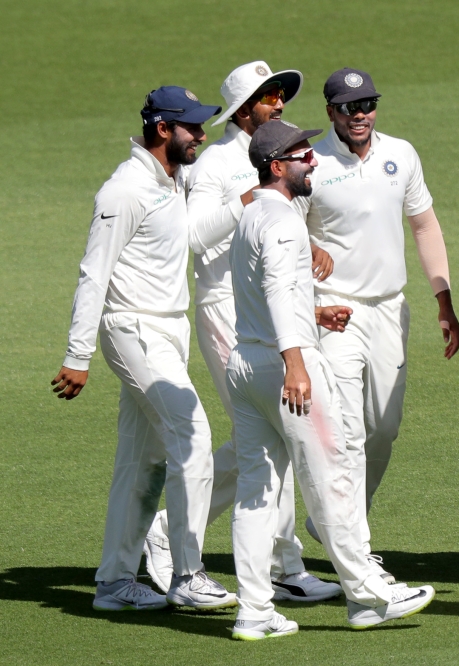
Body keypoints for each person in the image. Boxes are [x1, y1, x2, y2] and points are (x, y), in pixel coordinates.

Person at [141, 61, 341, 604]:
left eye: (280, 94)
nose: (278, 102)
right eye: (267, 95)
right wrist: (246, 199)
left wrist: (311, 251)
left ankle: (262, 556)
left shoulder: (278, 153)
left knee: (271, 438)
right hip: (226, 309)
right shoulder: (216, 164)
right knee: (276, 432)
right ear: (241, 107)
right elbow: (195, 236)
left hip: (271, 311)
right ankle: (279, 562)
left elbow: (280, 240)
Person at [227, 120, 434, 640]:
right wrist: (296, 363)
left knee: (257, 493)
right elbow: (277, 291)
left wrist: (313, 317)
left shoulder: (253, 214)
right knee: (336, 474)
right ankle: (368, 596)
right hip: (285, 369)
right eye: (301, 155)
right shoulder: (283, 222)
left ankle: (254, 611)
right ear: (277, 167)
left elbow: (265, 293)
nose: (313, 160)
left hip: (245, 364)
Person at [51, 86, 236, 611]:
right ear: (163, 129)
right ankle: (188, 574)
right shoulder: (124, 190)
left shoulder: (172, 179)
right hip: (132, 329)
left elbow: (193, 239)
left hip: (168, 331)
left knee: (143, 462)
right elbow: (94, 273)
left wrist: (246, 202)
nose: (202, 134)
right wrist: (78, 355)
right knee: (193, 437)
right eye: (193, 127)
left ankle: (114, 584)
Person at [296, 68, 459, 583]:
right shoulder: (311, 162)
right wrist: (310, 247)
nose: (361, 113)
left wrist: (444, 298)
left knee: (383, 429)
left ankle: (336, 522)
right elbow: (279, 225)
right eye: (349, 106)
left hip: (391, 307)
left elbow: (425, 224)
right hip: (336, 308)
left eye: (368, 103)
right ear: (331, 113)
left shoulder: (401, 154)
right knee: (345, 433)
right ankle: (357, 549)